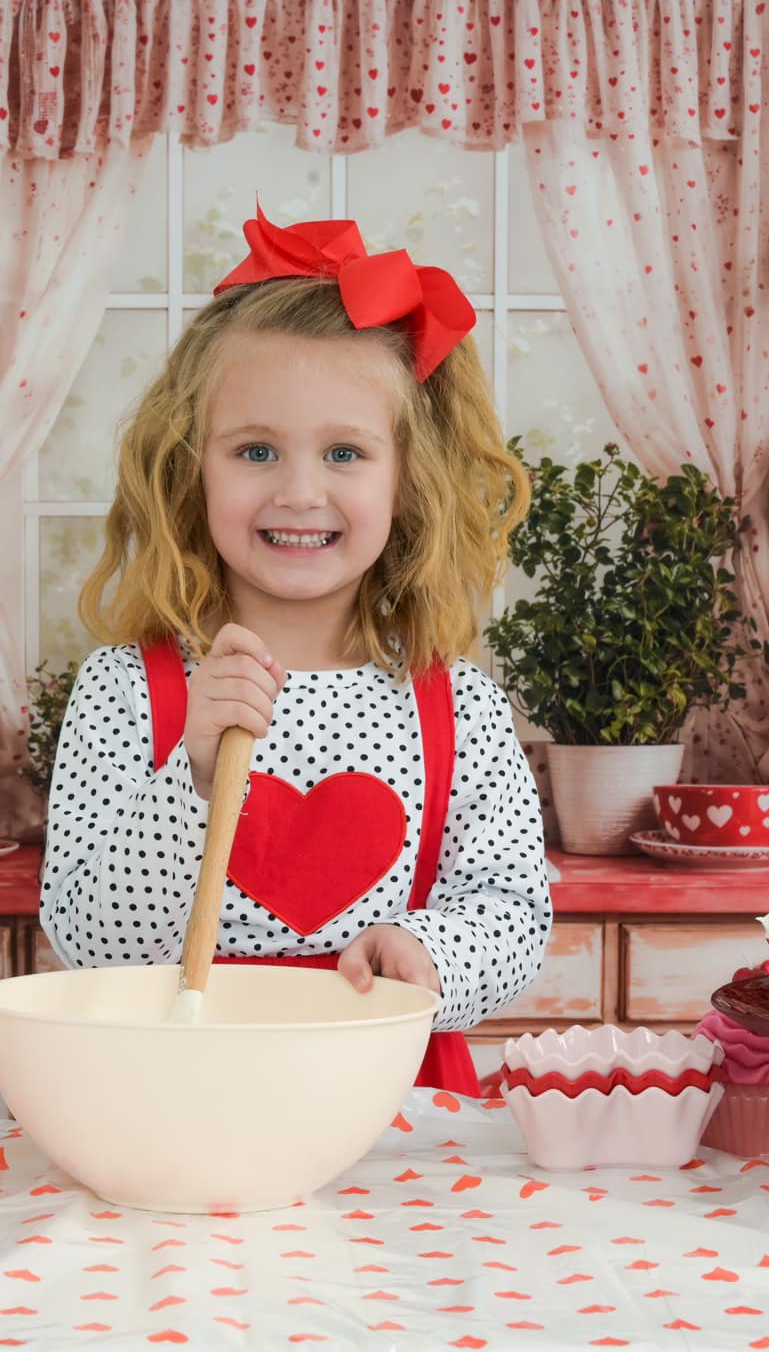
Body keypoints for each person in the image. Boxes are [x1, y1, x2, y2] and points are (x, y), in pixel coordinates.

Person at [39, 209, 551, 1094]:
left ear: (408, 479)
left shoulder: (455, 703)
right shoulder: (128, 691)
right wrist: (189, 782)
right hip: (185, 1095)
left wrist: (428, 948)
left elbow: (514, 912)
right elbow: (89, 942)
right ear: (189, 470)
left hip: (389, 1107)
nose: (300, 491)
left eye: (346, 452)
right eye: (257, 450)